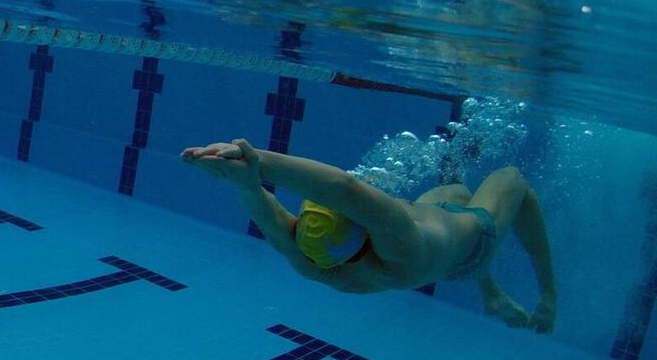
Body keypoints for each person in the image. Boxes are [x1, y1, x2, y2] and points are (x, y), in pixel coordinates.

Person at [181, 138, 556, 333]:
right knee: (512, 180)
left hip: (443, 241)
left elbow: (272, 221)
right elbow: (344, 189)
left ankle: (491, 295)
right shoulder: (402, 247)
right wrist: (257, 161)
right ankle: (549, 297)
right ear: (362, 229)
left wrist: (245, 184)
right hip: (476, 246)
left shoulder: (320, 265)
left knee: (454, 190)